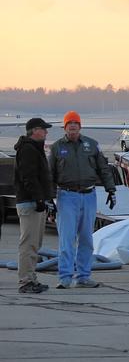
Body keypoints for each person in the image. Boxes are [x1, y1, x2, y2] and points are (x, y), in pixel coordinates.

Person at [49, 111, 116, 289]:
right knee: (67, 238)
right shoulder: (56, 148)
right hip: (66, 196)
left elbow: (103, 168)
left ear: (80, 126)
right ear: (64, 127)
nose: (72, 127)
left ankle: (84, 276)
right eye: (69, 124)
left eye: (75, 124)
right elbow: (50, 174)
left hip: (88, 196)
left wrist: (111, 189)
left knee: (86, 238)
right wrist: (49, 198)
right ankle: (64, 276)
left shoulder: (92, 145)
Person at [13, 117, 55, 294]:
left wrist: (47, 199)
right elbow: (28, 177)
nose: (46, 132)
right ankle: (25, 281)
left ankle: (31, 278)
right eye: (43, 129)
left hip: (35, 201)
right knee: (28, 243)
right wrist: (38, 199)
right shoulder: (28, 149)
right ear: (35, 130)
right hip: (29, 202)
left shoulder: (34, 149)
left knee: (34, 244)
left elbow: (41, 178)